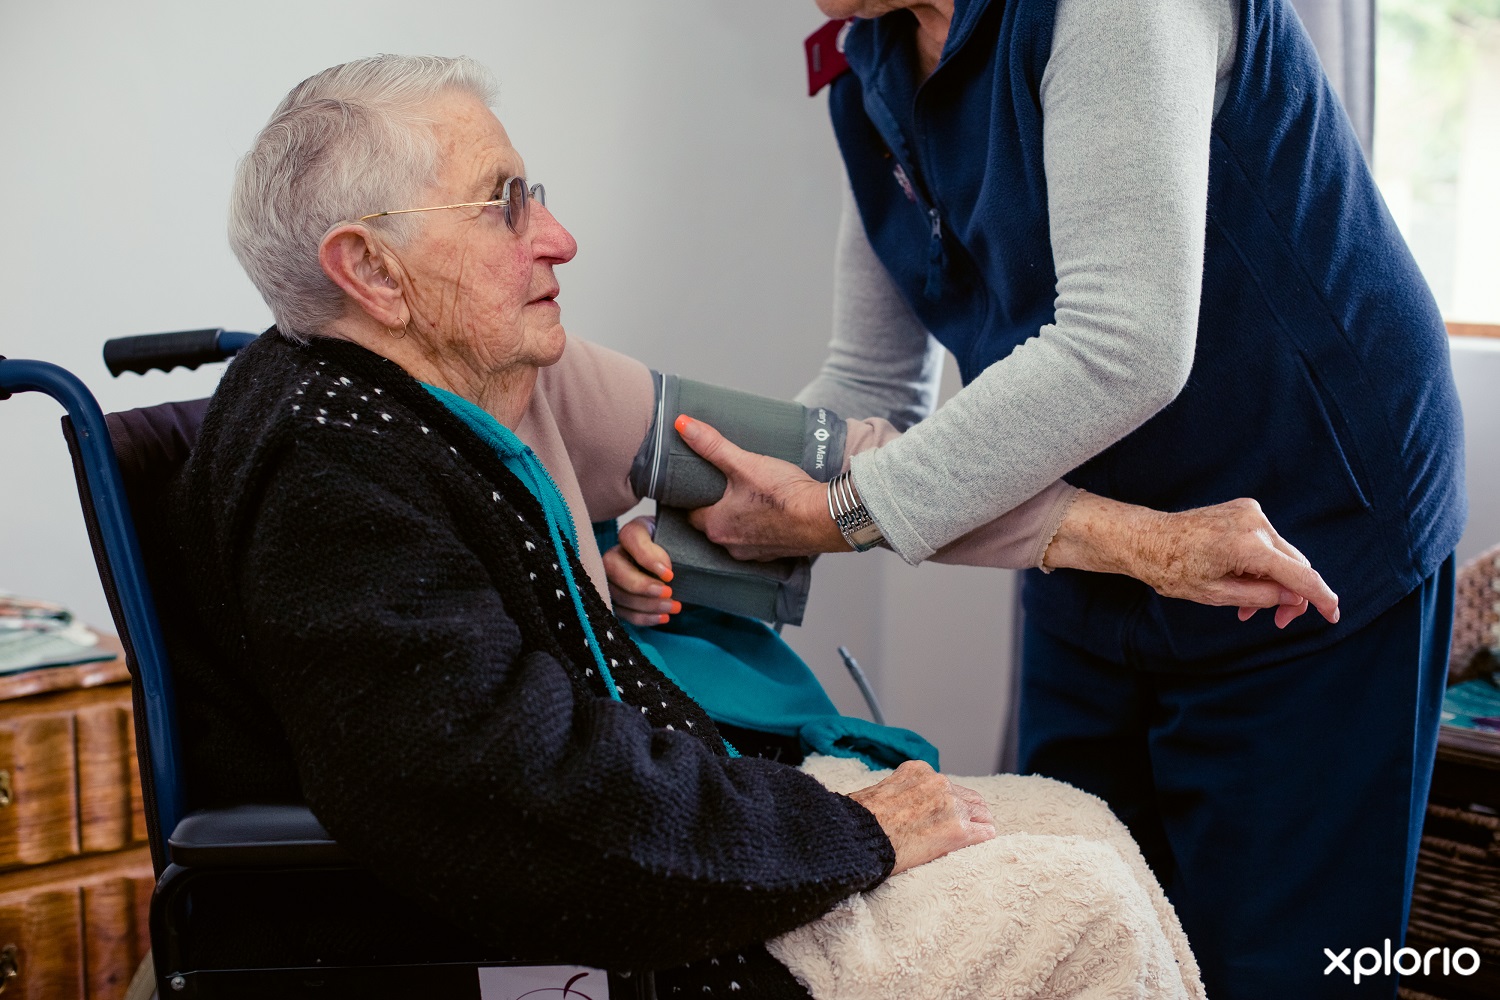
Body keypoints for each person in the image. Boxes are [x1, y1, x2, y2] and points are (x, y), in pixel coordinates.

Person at [167, 54, 1335, 998]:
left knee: (1082, 822)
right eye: (504, 203)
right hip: (628, 900)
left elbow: (829, 471)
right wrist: (846, 831)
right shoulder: (335, 480)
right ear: (370, 271)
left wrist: (1154, 544)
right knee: (1084, 910)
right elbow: (508, 795)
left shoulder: (497, 376)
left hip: (683, 808)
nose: (559, 237)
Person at [608, 1, 1465, 996]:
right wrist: (704, 532)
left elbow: (1124, 347)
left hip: (1309, 531)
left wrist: (840, 513)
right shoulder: (873, 58)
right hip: (1096, 544)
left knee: (1281, 968)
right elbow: (871, 381)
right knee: (1070, 925)